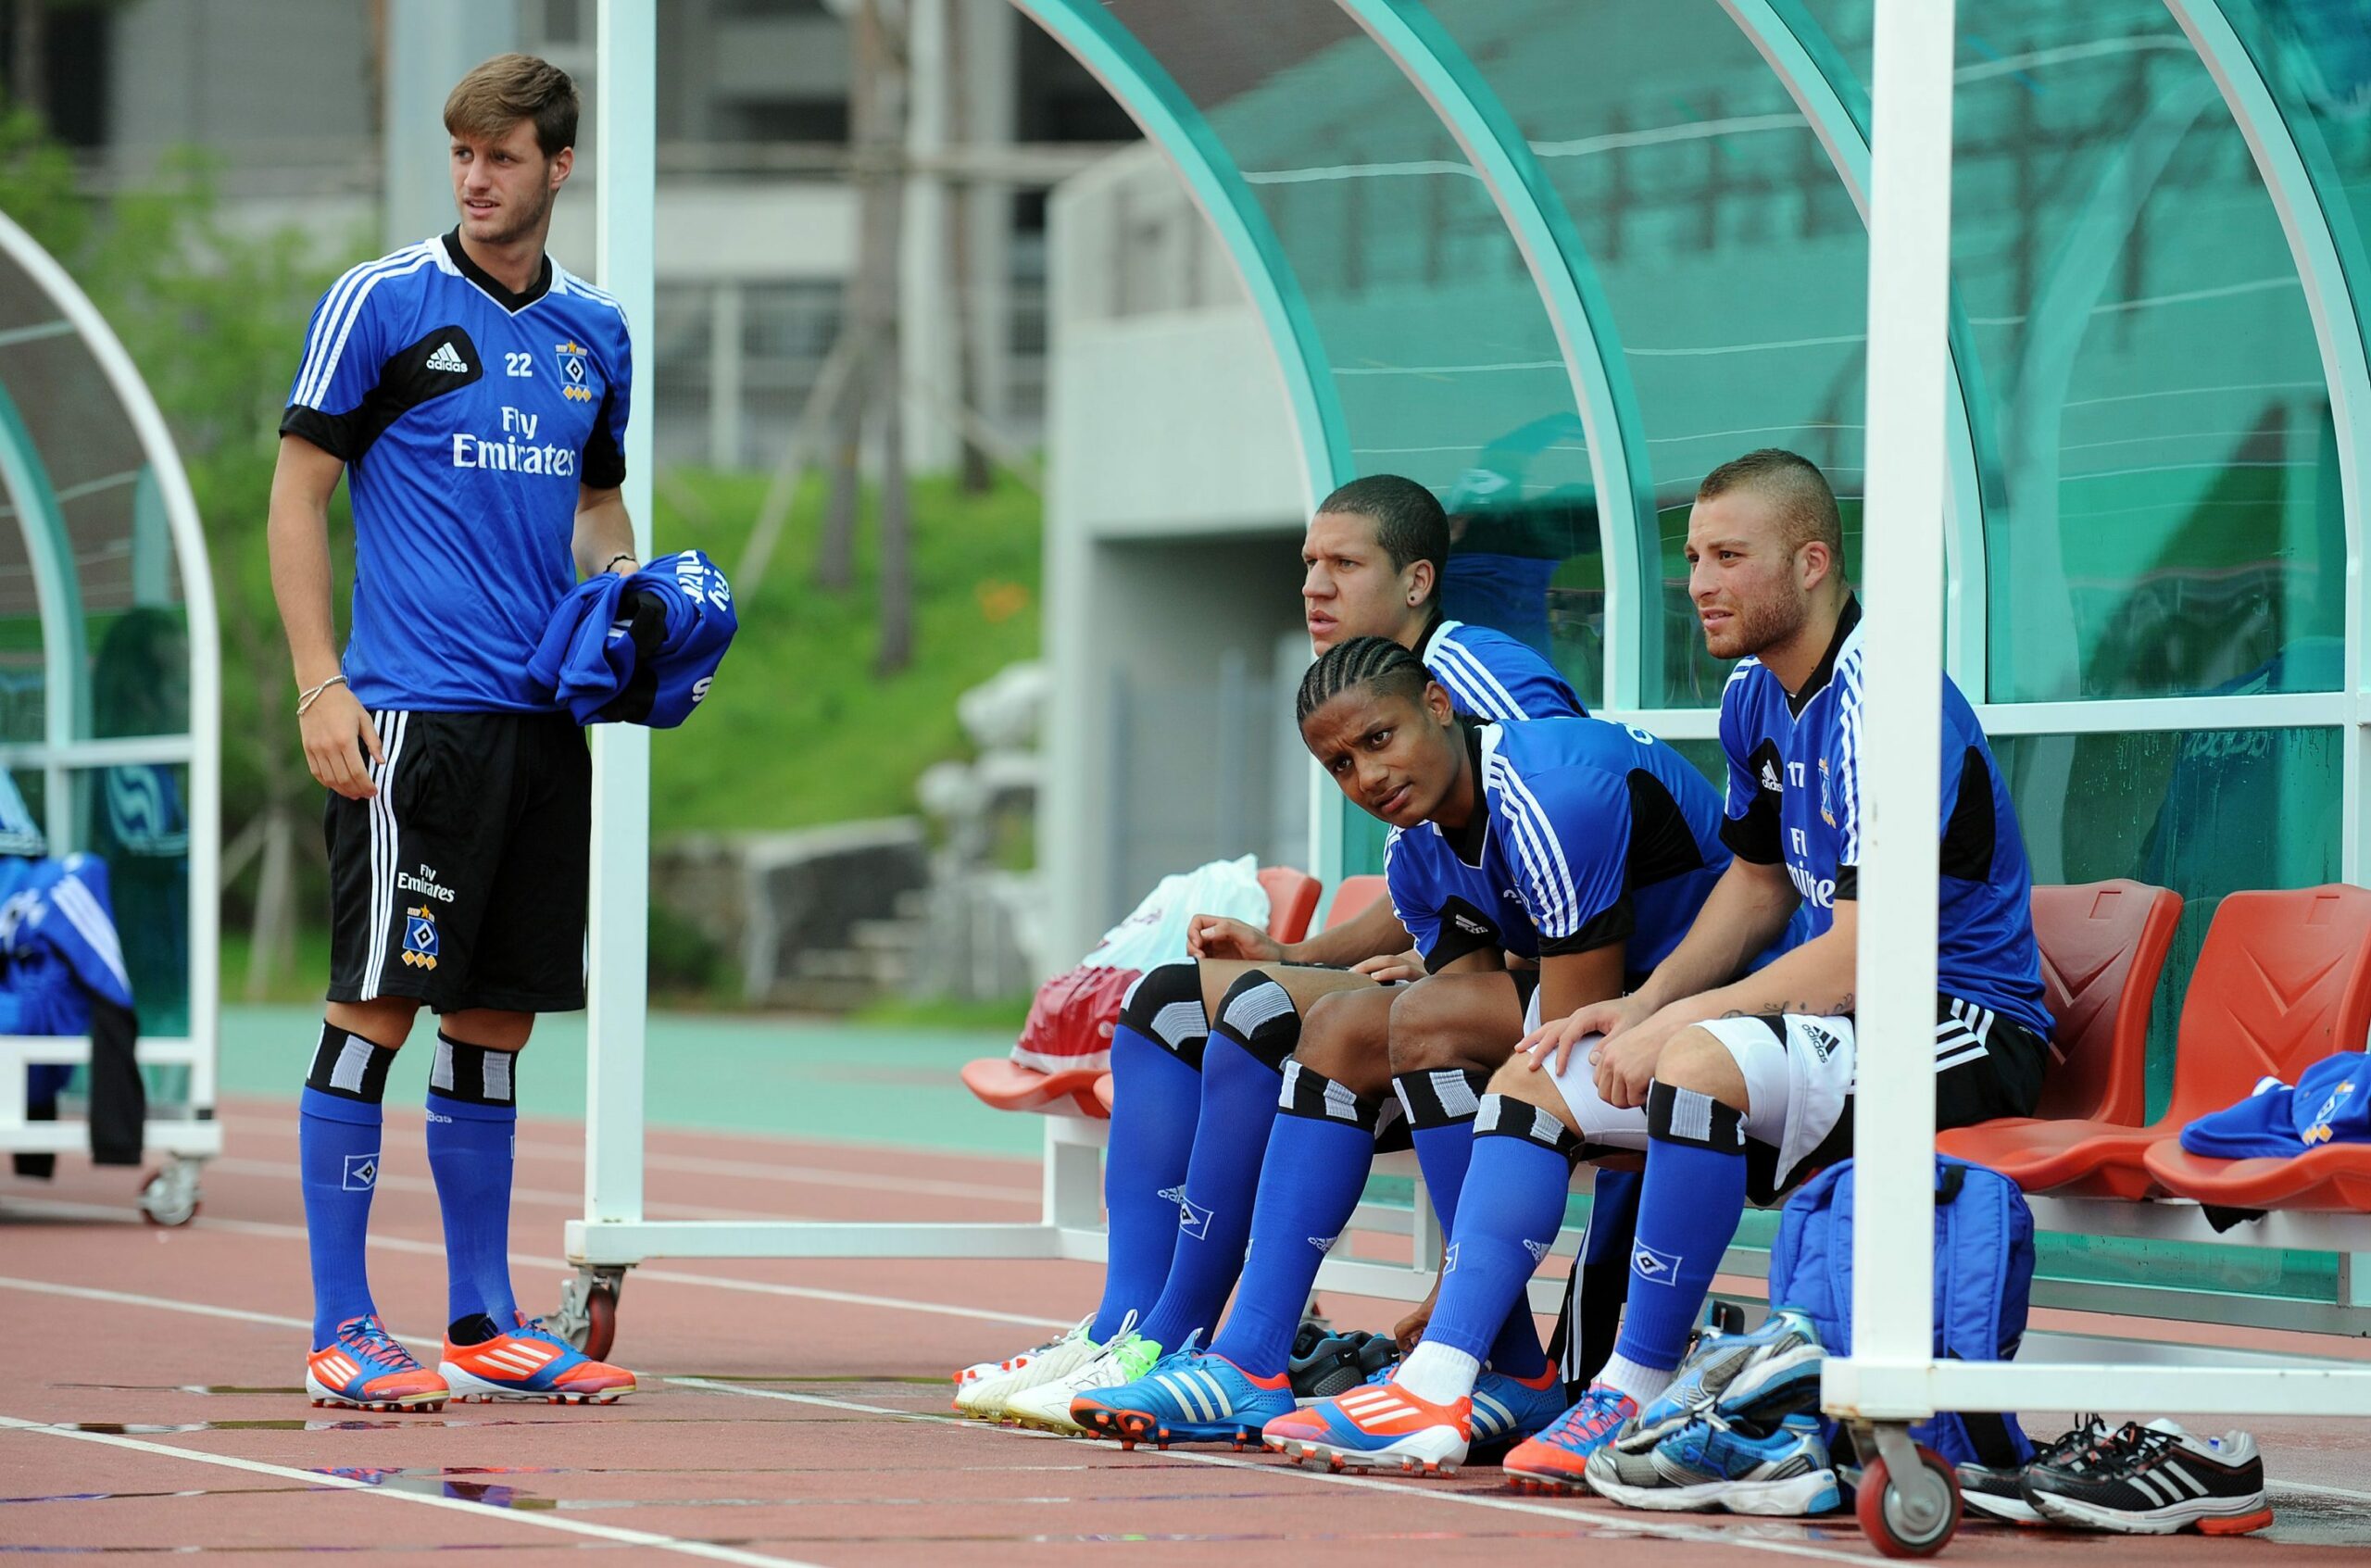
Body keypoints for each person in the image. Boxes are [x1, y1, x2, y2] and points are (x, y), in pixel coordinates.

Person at [1272, 449, 2051, 1489]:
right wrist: (1633, 1006)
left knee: (1692, 1062)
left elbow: (1872, 953)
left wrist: (1669, 1025)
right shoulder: (1755, 696)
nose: (1698, 582)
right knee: (1539, 1069)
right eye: (1691, 556)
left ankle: (1633, 1388)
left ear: (1812, 562)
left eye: (1730, 556)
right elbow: (1759, 888)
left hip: (1959, 1018)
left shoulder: (1883, 700)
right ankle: (1442, 1381)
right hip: (1844, 1017)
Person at [958, 476, 1587, 1425]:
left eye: (1344, 563)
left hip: (1561, 987)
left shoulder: (1472, 674)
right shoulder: (1369, 698)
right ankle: (1132, 1324)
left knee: (1262, 1011)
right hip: (1465, 972)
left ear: (1417, 581)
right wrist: (1294, 946)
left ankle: (1205, 1340)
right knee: (1170, 998)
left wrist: (1444, 964)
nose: (1314, 585)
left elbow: (1560, 840)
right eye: (1306, 564)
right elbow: (1439, 879)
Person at [1063, 636, 1737, 1451]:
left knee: (1412, 1021)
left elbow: (1565, 1045)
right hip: (1616, 1008)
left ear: (1440, 705)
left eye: (1379, 739)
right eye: (1341, 766)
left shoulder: (1553, 791)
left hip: (1721, 1012)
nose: (1368, 777)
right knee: (1346, 1028)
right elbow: (1463, 1010)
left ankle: (1492, 1354)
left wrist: (1463, 1289)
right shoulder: (1414, 851)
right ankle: (1253, 1358)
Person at [268, 53, 640, 1411]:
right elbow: (297, 494)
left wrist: (628, 613)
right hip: (411, 720)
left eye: (503, 156)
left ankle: (482, 1321)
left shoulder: (597, 329)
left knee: (493, 1021)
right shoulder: (382, 303)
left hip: (543, 728)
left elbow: (598, 511)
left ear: (558, 166)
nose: (478, 179)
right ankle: (339, 1321)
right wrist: (322, 683)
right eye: (462, 156)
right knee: (376, 1009)